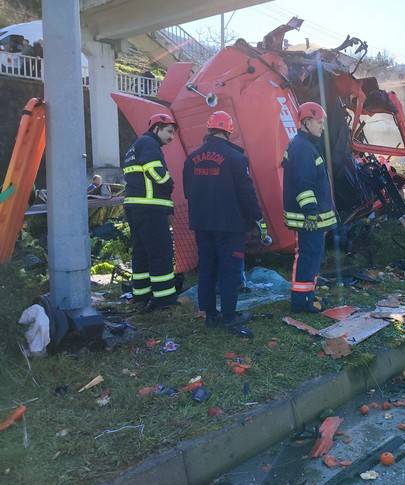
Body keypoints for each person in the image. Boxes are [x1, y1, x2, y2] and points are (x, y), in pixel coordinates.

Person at [183, 111, 270, 332]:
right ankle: (229, 316)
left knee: (207, 268)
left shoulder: (192, 159)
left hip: (202, 223)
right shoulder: (236, 158)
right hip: (230, 225)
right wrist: (257, 218)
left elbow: (187, 191)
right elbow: (246, 193)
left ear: (209, 129)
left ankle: (210, 314)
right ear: (229, 131)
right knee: (229, 270)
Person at [282, 102, 337, 313]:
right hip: (308, 217)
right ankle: (301, 301)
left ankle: (307, 296)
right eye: (319, 122)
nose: (322, 127)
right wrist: (311, 213)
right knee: (307, 256)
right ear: (306, 122)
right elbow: (304, 185)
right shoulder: (302, 148)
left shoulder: (305, 145)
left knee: (312, 256)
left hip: (311, 216)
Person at [123, 113, 179, 310]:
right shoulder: (149, 143)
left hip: (135, 206)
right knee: (160, 252)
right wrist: (169, 183)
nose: (171, 138)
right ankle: (164, 299)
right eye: (169, 132)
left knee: (141, 252)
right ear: (157, 127)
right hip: (150, 207)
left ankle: (141, 293)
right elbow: (155, 170)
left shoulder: (134, 145)